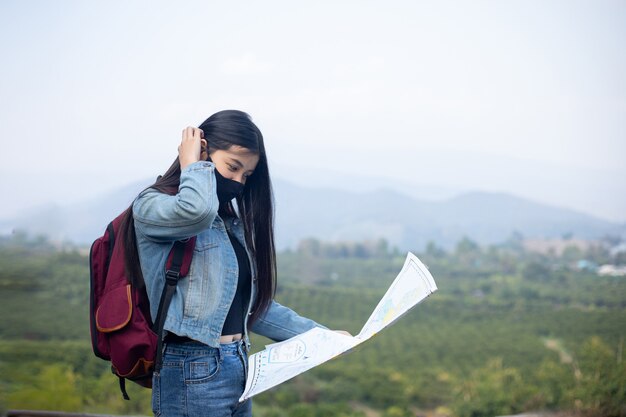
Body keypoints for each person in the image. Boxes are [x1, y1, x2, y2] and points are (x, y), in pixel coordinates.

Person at [117, 110, 347, 417]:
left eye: (247, 175)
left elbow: (253, 309)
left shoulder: (227, 224)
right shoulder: (153, 206)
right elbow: (195, 211)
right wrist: (193, 166)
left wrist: (323, 337)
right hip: (191, 370)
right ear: (203, 152)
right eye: (233, 167)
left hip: (237, 367)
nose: (238, 182)